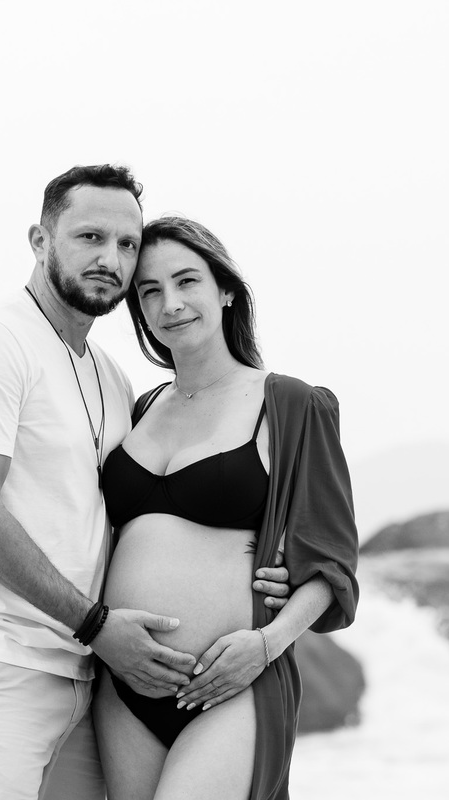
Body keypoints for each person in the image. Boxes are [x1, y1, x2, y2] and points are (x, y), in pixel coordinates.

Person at [0, 165, 294, 800]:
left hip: (88, 679)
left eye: (126, 244)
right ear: (40, 240)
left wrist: (261, 565)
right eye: (89, 237)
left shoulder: (111, 378)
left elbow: (132, 521)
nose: (110, 259)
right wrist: (95, 623)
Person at [94, 216, 360, 800]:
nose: (171, 304)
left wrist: (265, 646)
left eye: (187, 281)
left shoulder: (290, 404)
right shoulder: (140, 409)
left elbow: (333, 564)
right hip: (123, 686)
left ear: (226, 290)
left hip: (232, 683)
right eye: (150, 291)